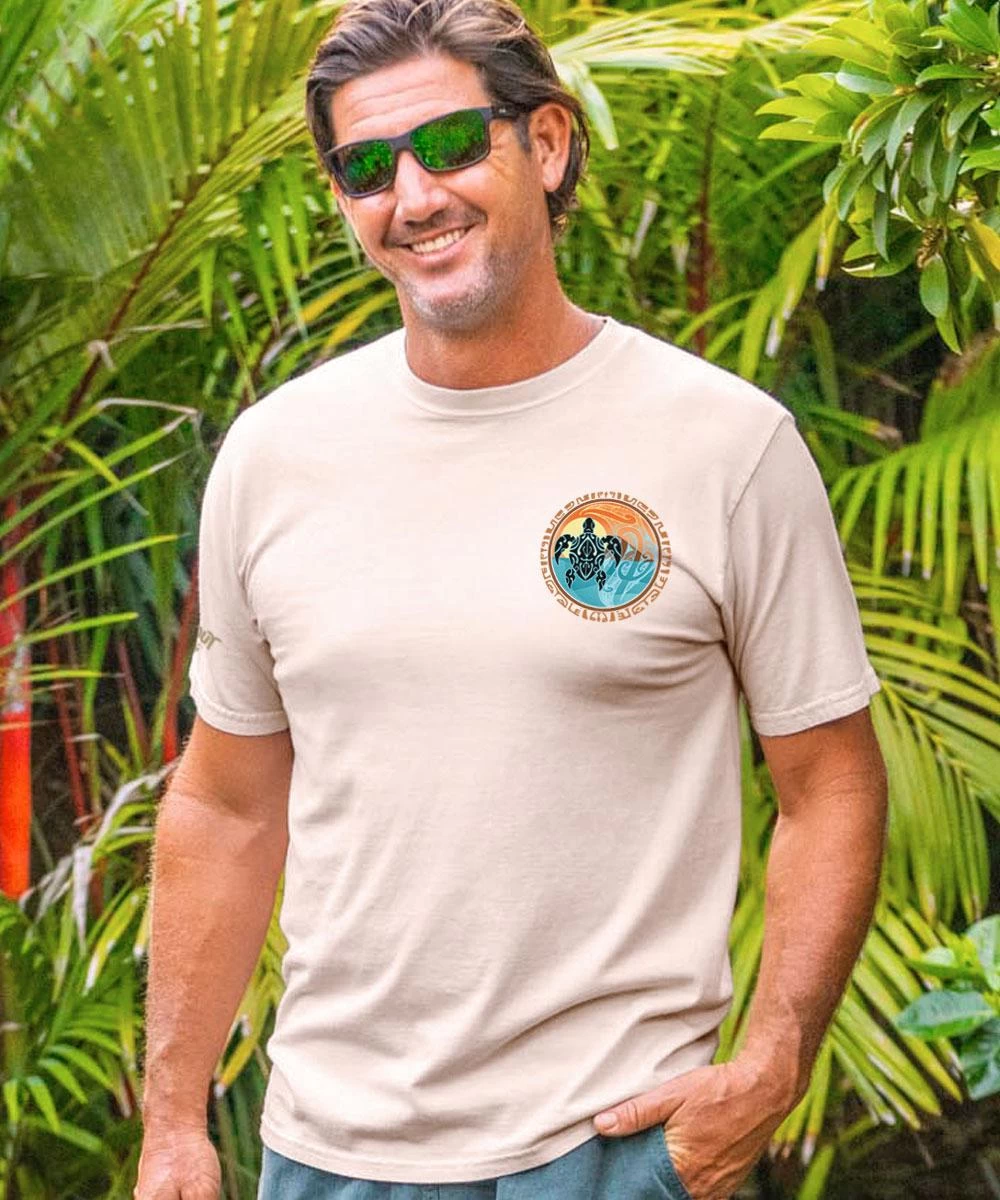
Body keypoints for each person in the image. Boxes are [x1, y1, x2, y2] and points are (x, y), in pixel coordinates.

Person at [135, 0, 888, 1196]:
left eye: (447, 144)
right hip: (325, 1152)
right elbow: (226, 806)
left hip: (613, 1147)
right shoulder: (275, 455)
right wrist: (173, 1122)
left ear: (544, 143)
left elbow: (829, 779)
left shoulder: (725, 444)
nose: (413, 195)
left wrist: (771, 1062)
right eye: (367, 167)